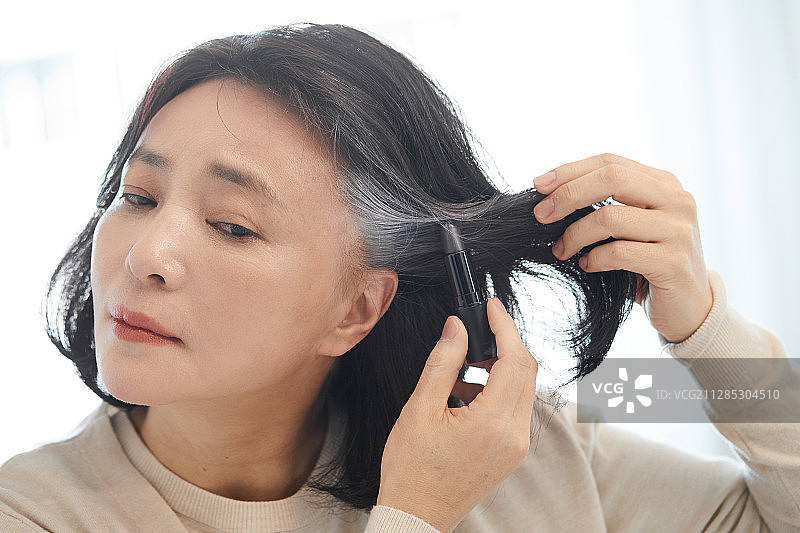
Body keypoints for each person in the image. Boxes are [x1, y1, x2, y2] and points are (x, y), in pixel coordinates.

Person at [0, 23, 797, 533]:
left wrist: (704, 329)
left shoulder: (515, 454)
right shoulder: (36, 512)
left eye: (232, 225)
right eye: (138, 196)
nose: (145, 254)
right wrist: (415, 516)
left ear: (356, 309)